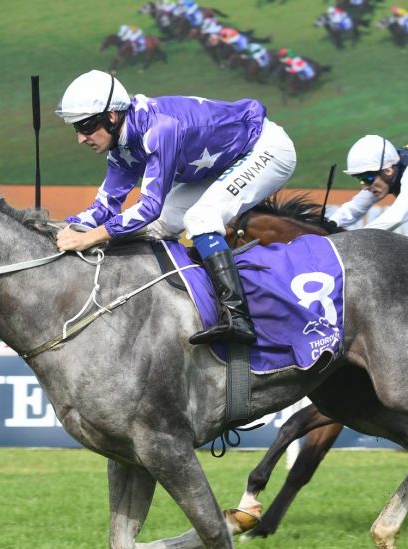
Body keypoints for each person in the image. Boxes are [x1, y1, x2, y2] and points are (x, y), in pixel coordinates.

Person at [54, 70, 297, 345]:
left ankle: (238, 318)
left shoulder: (159, 129)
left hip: (265, 149)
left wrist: (90, 237)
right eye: (76, 128)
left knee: (201, 218)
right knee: (162, 225)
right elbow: (105, 206)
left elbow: (149, 207)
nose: (81, 138)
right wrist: (63, 228)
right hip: (223, 161)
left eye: (86, 126)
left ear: (111, 116)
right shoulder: (122, 142)